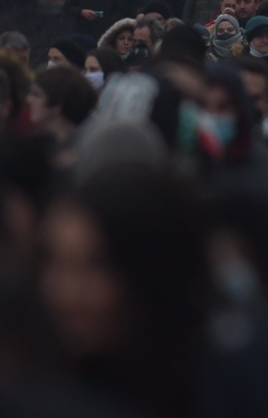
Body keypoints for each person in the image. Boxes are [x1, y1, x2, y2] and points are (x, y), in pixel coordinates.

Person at [41, 164, 210, 418]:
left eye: (93, 266)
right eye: (56, 262)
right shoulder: (39, 389)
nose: (64, 292)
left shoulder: (229, 392)